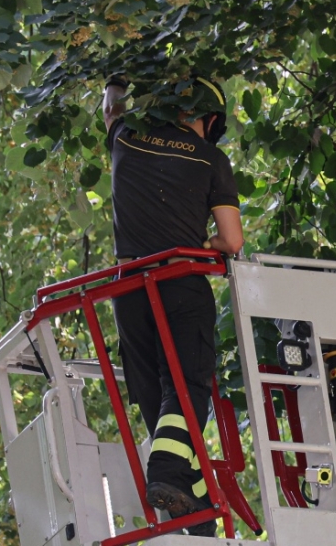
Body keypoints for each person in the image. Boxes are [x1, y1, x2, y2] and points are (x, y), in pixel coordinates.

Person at [102, 71, 244, 536]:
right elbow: (232, 240)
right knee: (185, 386)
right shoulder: (210, 158)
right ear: (209, 118)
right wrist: (206, 244)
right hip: (180, 283)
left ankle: (194, 512)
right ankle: (166, 471)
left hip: (127, 290)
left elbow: (111, 107)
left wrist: (119, 76)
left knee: (156, 399)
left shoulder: (125, 136)